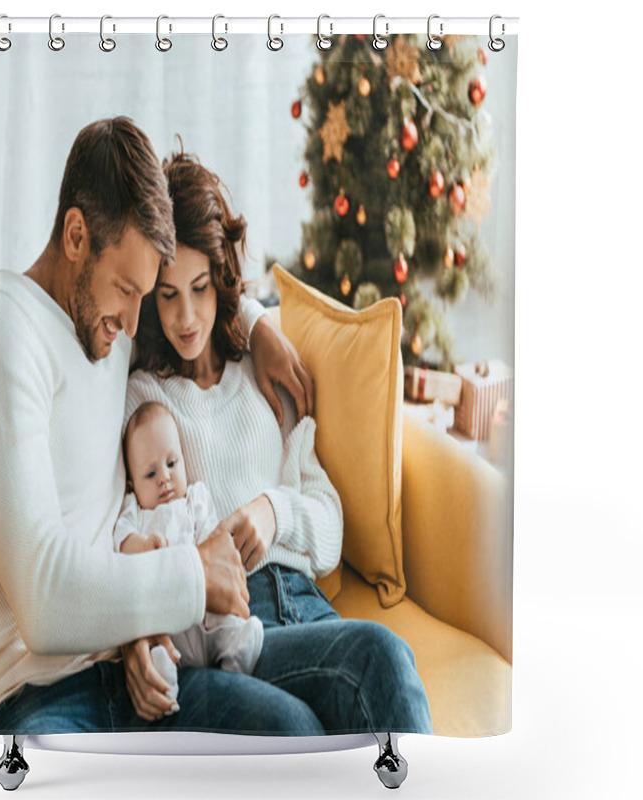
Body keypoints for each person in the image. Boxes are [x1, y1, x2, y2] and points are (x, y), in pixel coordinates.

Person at [0, 117, 315, 734]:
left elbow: (196, 279)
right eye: (128, 290)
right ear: (76, 234)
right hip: (26, 700)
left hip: (132, 668)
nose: (137, 323)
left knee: (293, 733)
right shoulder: (1, 330)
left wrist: (256, 321)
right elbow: (44, 598)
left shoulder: (106, 333)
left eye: (146, 295)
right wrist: (195, 573)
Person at [123, 147, 433, 735]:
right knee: (367, 673)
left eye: (200, 288)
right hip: (230, 628)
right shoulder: (142, 398)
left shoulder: (266, 374)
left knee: (378, 674)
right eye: (167, 295)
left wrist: (274, 510)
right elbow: (127, 530)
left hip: (307, 606)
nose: (187, 316)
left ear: (221, 281)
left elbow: (329, 531)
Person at [115, 400, 265, 706]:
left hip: (204, 606)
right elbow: (121, 540)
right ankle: (166, 674)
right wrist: (142, 545)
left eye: (172, 464)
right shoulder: (136, 511)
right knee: (161, 643)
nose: (164, 478)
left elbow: (215, 540)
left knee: (226, 622)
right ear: (132, 483)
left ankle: (234, 654)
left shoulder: (194, 499)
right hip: (167, 617)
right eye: (150, 473)